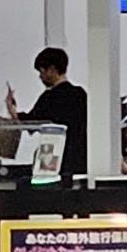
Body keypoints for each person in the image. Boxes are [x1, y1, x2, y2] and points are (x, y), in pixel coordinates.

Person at [25, 45, 89, 181]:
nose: (40, 76)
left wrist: (13, 112)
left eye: (42, 71)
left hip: (54, 159)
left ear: (52, 70)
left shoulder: (49, 97)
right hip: (81, 157)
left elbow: (31, 122)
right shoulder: (80, 94)